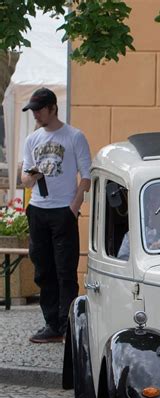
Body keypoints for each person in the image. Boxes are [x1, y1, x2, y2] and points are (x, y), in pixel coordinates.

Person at [21, 87, 91, 343]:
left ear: (53, 108)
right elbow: (24, 180)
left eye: (39, 110)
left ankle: (68, 325)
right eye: (33, 111)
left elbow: (87, 176)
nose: (36, 115)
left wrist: (73, 208)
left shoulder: (74, 136)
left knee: (65, 270)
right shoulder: (32, 140)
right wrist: (32, 176)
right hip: (38, 211)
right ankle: (52, 324)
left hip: (63, 211)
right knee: (43, 269)